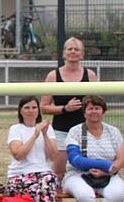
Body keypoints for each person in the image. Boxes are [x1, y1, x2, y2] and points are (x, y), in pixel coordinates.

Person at [62, 95, 124, 202]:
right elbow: (75, 159)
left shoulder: (113, 132)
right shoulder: (75, 131)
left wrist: (107, 171)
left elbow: (121, 159)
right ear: (84, 112)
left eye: (97, 108)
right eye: (90, 109)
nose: (94, 112)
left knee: (118, 194)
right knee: (85, 195)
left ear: (103, 112)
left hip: (108, 174)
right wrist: (104, 164)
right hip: (78, 174)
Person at [4, 96, 61, 202]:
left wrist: (44, 134)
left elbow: (53, 155)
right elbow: (18, 154)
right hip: (20, 176)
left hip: (43, 176)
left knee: (49, 181)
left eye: (34, 107)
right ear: (20, 111)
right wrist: (34, 135)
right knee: (47, 195)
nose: (31, 111)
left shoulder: (48, 130)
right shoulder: (16, 129)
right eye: (27, 108)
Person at [40, 37, 97, 183]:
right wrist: (65, 108)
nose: (73, 52)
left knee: (86, 171)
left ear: (82, 54)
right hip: (61, 131)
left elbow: (97, 103)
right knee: (58, 172)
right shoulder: (53, 76)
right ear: (64, 53)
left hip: (85, 130)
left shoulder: (90, 75)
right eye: (69, 49)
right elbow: (44, 107)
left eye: (76, 49)